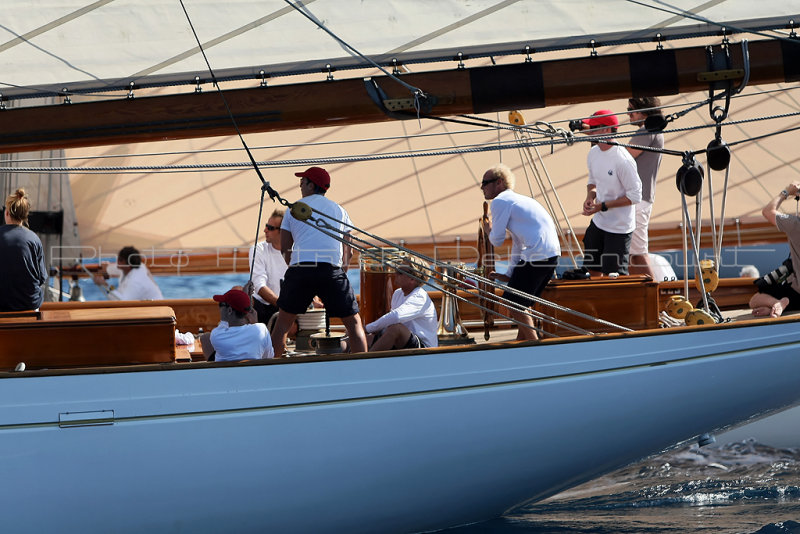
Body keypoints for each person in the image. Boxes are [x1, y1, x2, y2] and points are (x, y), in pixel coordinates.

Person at [271, 166, 368, 356]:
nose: (300, 185)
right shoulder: (340, 210)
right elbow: (347, 248)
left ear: (311, 185)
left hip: (301, 269)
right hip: (331, 270)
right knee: (354, 324)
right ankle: (363, 367)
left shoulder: (292, 210)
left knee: (282, 325)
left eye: (302, 182)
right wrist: (342, 272)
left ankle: (274, 367)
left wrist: (296, 268)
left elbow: (285, 248)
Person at [480, 163, 561, 341]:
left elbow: (497, 239)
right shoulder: (522, 201)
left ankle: (533, 344)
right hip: (550, 254)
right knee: (521, 300)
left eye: (485, 183)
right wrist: (509, 274)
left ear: (499, 183)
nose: (482, 187)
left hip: (537, 254)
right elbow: (518, 244)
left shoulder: (501, 201)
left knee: (513, 302)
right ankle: (521, 341)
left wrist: (488, 231)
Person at [580, 109, 642, 275]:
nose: (590, 131)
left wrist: (604, 206)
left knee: (613, 277)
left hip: (619, 228)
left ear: (607, 130)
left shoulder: (623, 160)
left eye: (594, 127)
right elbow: (592, 181)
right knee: (592, 269)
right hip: (599, 222)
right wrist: (590, 197)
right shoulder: (593, 153)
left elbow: (635, 196)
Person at [749, 182, 800, 318]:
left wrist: (786, 192)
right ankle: (778, 306)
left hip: (797, 294)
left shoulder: (795, 225)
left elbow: (767, 211)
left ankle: (779, 303)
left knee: (755, 299)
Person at [626, 97, 665, 274]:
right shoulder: (653, 131)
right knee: (632, 253)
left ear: (644, 111)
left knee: (638, 253)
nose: (628, 114)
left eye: (631, 110)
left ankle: (652, 295)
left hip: (638, 200)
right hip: (639, 198)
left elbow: (624, 158)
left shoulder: (647, 130)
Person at [366, 257, 438, 351]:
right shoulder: (398, 293)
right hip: (405, 342)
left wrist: (367, 328)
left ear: (412, 278)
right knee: (361, 337)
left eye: (400, 272)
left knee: (396, 329)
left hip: (425, 349)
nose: (395, 273)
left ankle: (367, 361)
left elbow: (396, 317)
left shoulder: (419, 297)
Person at [0, 188, 47, 312]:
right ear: (25, 215)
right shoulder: (34, 239)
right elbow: (42, 277)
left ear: (7, 213)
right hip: (29, 303)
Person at [208, 288, 274, 361]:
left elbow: (224, 323)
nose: (219, 308)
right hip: (253, 372)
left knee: (205, 338)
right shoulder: (261, 329)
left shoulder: (216, 335)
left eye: (221, 305)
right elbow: (269, 357)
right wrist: (254, 322)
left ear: (229, 310)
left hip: (227, 372)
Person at [249, 209, 288, 325]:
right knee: (238, 292)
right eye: (266, 226)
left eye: (270, 228)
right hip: (261, 307)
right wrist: (282, 305)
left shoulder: (297, 250)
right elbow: (259, 285)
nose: (265, 230)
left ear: (283, 231)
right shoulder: (258, 249)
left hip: (287, 307)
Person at [93, 246, 163, 300]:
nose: (117, 261)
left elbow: (122, 302)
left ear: (128, 264)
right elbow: (115, 268)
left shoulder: (135, 281)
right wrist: (106, 268)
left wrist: (105, 285)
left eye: (120, 259)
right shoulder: (138, 267)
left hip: (155, 314)